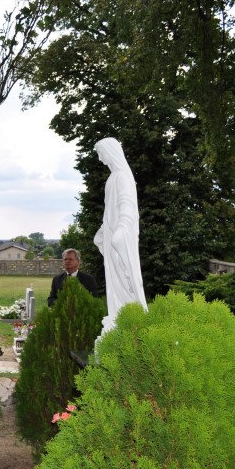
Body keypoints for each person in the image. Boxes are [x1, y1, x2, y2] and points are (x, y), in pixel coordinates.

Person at [93, 137, 148, 335]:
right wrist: (103, 231)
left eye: (100, 153)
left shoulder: (123, 176)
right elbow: (109, 211)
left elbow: (126, 204)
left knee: (125, 280)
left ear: (110, 151)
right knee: (115, 281)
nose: (100, 159)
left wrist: (122, 227)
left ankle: (130, 321)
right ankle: (118, 317)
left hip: (120, 237)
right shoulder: (113, 177)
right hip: (110, 237)